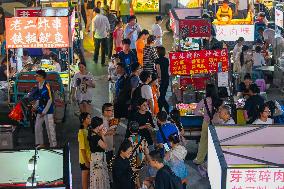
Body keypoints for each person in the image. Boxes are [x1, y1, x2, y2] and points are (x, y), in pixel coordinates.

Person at [193, 83, 220, 165]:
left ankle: (199, 160)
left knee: (203, 142)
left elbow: (195, 112)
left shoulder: (204, 101)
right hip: (217, 124)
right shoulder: (219, 101)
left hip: (206, 123)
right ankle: (218, 160)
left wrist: (203, 114)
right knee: (216, 142)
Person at [33, 70, 57, 148]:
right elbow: (39, 98)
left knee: (50, 129)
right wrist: (35, 107)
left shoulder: (47, 86)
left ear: (42, 77)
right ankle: (41, 143)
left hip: (48, 111)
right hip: (40, 110)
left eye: (37, 76)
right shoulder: (38, 85)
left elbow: (50, 99)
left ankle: (53, 145)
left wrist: (44, 111)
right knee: (37, 127)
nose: (35, 77)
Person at [88, 116, 110, 189]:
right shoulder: (96, 137)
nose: (103, 125)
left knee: (95, 179)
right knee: (100, 179)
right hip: (98, 159)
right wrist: (103, 135)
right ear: (98, 126)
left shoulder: (91, 132)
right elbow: (105, 146)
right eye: (101, 124)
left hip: (94, 158)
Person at [78, 112, 92, 189]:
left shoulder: (88, 130)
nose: (90, 119)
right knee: (85, 179)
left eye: (90, 117)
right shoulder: (81, 132)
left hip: (89, 158)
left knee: (89, 178)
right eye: (88, 118)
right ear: (83, 120)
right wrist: (86, 161)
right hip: (84, 160)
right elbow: (82, 148)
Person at [155, 46, 170, 114]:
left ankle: (165, 110)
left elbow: (158, 69)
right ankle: (161, 110)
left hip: (162, 79)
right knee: (162, 95)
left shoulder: (157, 60)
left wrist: (159, 78)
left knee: (161, 96)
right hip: (166, 78)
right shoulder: (166, 59)